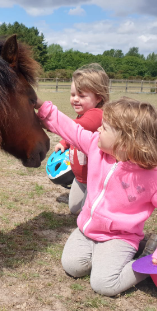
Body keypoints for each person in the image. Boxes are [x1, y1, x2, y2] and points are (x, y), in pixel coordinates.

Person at [35, 96, 157, 297]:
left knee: (104, 284)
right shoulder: (95, 147)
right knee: (73, 267)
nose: (98, 130)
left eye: (104, 128)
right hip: (87, 231)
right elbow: (71, 129)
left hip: (119, 237)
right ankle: (108, 256)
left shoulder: (154, 180)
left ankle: (147, 259)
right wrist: (40, 105)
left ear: (125, 141)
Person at [55, 64, 109, 214]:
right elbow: (76, 132)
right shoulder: (82, 115)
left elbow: (77, 127)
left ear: (99, 97)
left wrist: (52, 121)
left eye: (82, 96)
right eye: (73, 95)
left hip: (95, 181)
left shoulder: (97, 114)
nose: (75, 100)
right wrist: (63, 143)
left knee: (89, 214)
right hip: (80, 179)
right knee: (74, 209)